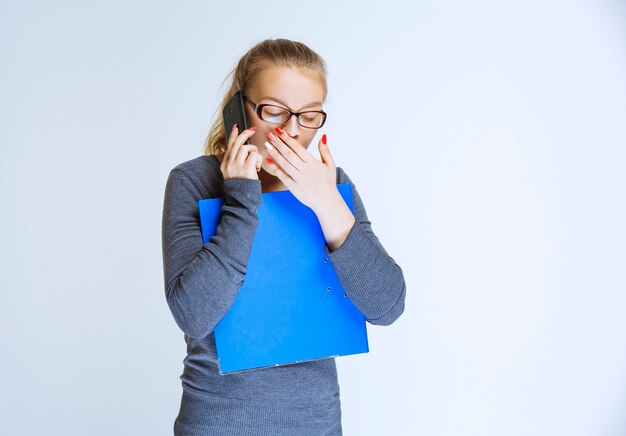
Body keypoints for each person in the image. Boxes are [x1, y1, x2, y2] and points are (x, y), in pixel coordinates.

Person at [161, 38, 406, 436]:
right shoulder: (194, 182)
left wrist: (328, 205)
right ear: (239, 109)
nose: (292, 131)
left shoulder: (332, 185)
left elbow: (387, 307)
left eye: (309, 115)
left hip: (315, 426)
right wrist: (242, 199)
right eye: (275, 111)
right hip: (216, 424)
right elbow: (193, 315)